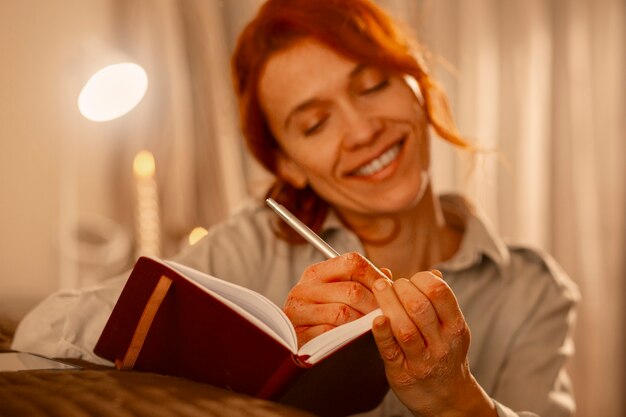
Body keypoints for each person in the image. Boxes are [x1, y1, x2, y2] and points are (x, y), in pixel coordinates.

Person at [12, 0, 579, 416]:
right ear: (289, 166)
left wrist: (456, 398)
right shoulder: (255, 243)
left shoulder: (532, 288)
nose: (361, 130)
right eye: (314, 123)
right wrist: (246, 352)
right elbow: (42, 330)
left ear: (417, 86)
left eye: (373, 85)